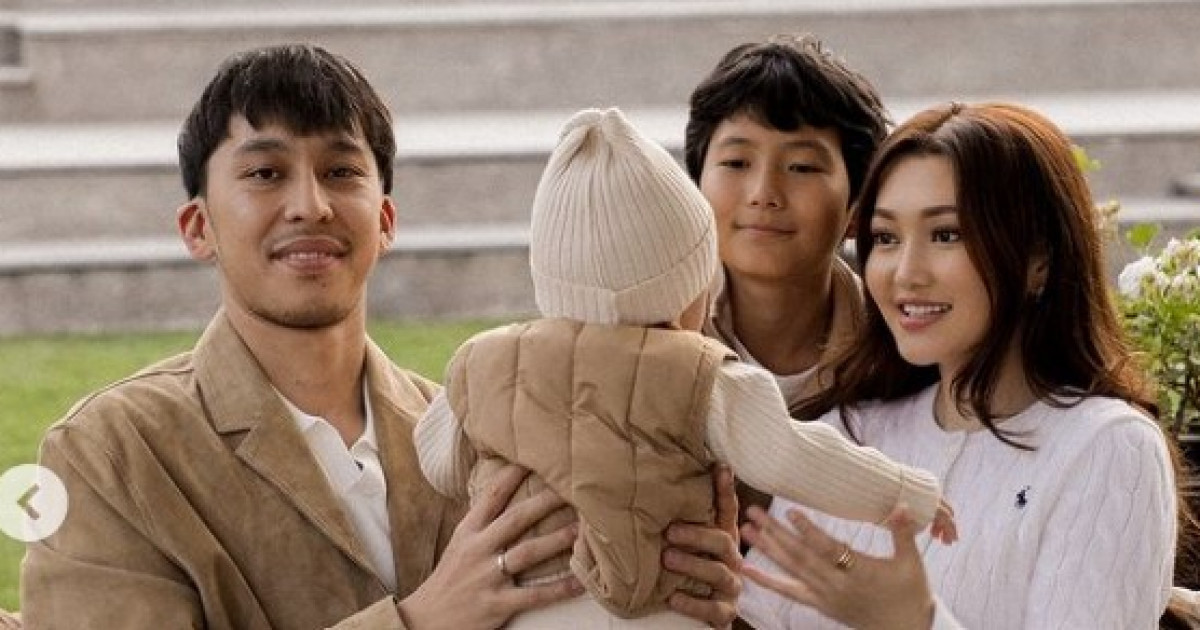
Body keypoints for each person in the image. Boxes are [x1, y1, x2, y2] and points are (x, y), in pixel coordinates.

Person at [18, 44, 741, 629]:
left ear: (386, 221)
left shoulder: (485, 429)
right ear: (198, 227)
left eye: (341, 171)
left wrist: (679, 590)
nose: (310, 205)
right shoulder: (110, 453)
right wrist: (418, 623)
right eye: (266, 173)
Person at [414, 107, 956, 629]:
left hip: (523, 609)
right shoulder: (702, 376)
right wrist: (907, 495)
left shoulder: (482, 362)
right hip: (661, 611)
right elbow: (794, 456)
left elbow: (439, 462)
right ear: (683, 290)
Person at [737, 102, 1180, 629]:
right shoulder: (849, 433)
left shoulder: (1108, 448)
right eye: (886, 238)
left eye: (946, 234)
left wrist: (917, 622)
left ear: (1039, 259)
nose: (905, 273)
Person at [683, 34, 889, 516]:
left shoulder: (894, 351)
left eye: (801, 166)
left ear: (857, 208)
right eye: (736, 162)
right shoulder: (653, 335)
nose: (764, 192)